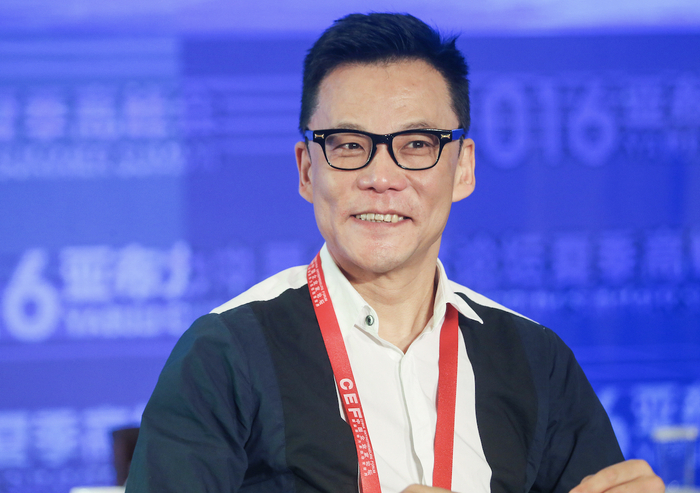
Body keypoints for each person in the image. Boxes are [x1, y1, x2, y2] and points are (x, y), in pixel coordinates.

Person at [126, 13, 664, 493]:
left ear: (463, 168)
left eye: (416, 145)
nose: (381, 177)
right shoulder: (224, 353)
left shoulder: (534, 359)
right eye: (348, 145)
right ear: (307, 170)